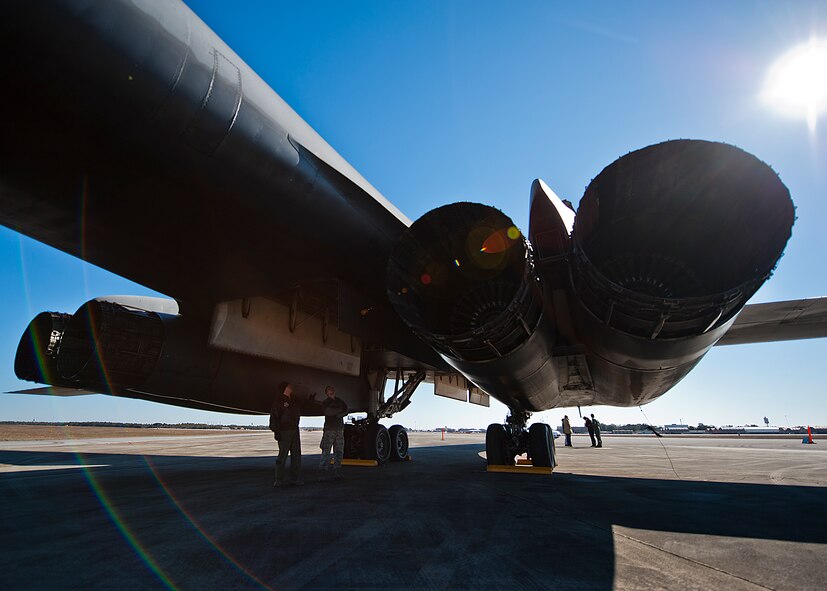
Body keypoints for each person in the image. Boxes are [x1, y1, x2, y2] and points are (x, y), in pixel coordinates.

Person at [270, 381, 308, 487]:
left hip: (294, 430)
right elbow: (274, 417)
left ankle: (295, 478)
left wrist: (310, 400)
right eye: (289, 385)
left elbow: (302, 406)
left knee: (296, 455)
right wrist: (276, 431)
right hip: (284, 431)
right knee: (282, 455)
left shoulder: (294, 400)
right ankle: (278, 479)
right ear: (285, 388)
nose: (291, 386)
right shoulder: (278, 401)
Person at [318, 385, 349, 481]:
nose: (332, 391)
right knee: (326, 451)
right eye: (329, 390)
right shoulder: (325, 402)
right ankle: (323, 474)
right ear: (326, 393)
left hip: (339, 429)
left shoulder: (340, 401)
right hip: (329, 430)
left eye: (332, 389)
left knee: (339, 451)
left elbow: (346, 410)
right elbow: (328, 412)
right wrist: (340, 412)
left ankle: (337, 472)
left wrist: (338, 413)